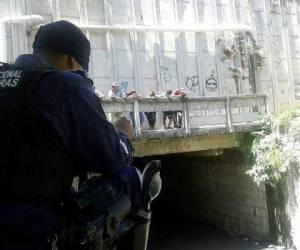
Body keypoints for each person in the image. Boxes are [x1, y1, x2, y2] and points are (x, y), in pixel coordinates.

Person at [0, 20, 142, 250]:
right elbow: (110, 157)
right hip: (31, 226)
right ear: (72, 60)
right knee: (129, 177)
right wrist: (122, 136)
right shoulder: (66, 84)